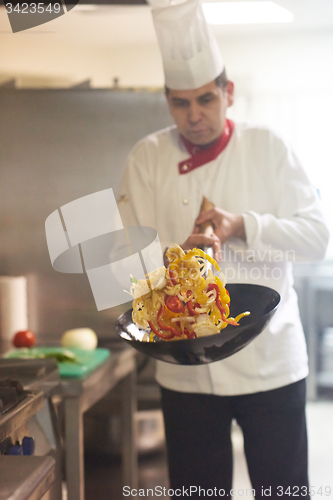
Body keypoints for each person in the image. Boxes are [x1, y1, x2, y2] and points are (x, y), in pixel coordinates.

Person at [118, 0, 329, 498]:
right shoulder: (147, 157)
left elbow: (318, 239)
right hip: (186, 373)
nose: (194, 117)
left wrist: (244, 226)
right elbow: (126, 257)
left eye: (206, 101)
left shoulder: (269, 148)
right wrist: (176, 257)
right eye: (181, 103)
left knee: (283, 492)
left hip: (271, 363)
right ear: (166, 100)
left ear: (228, 93)